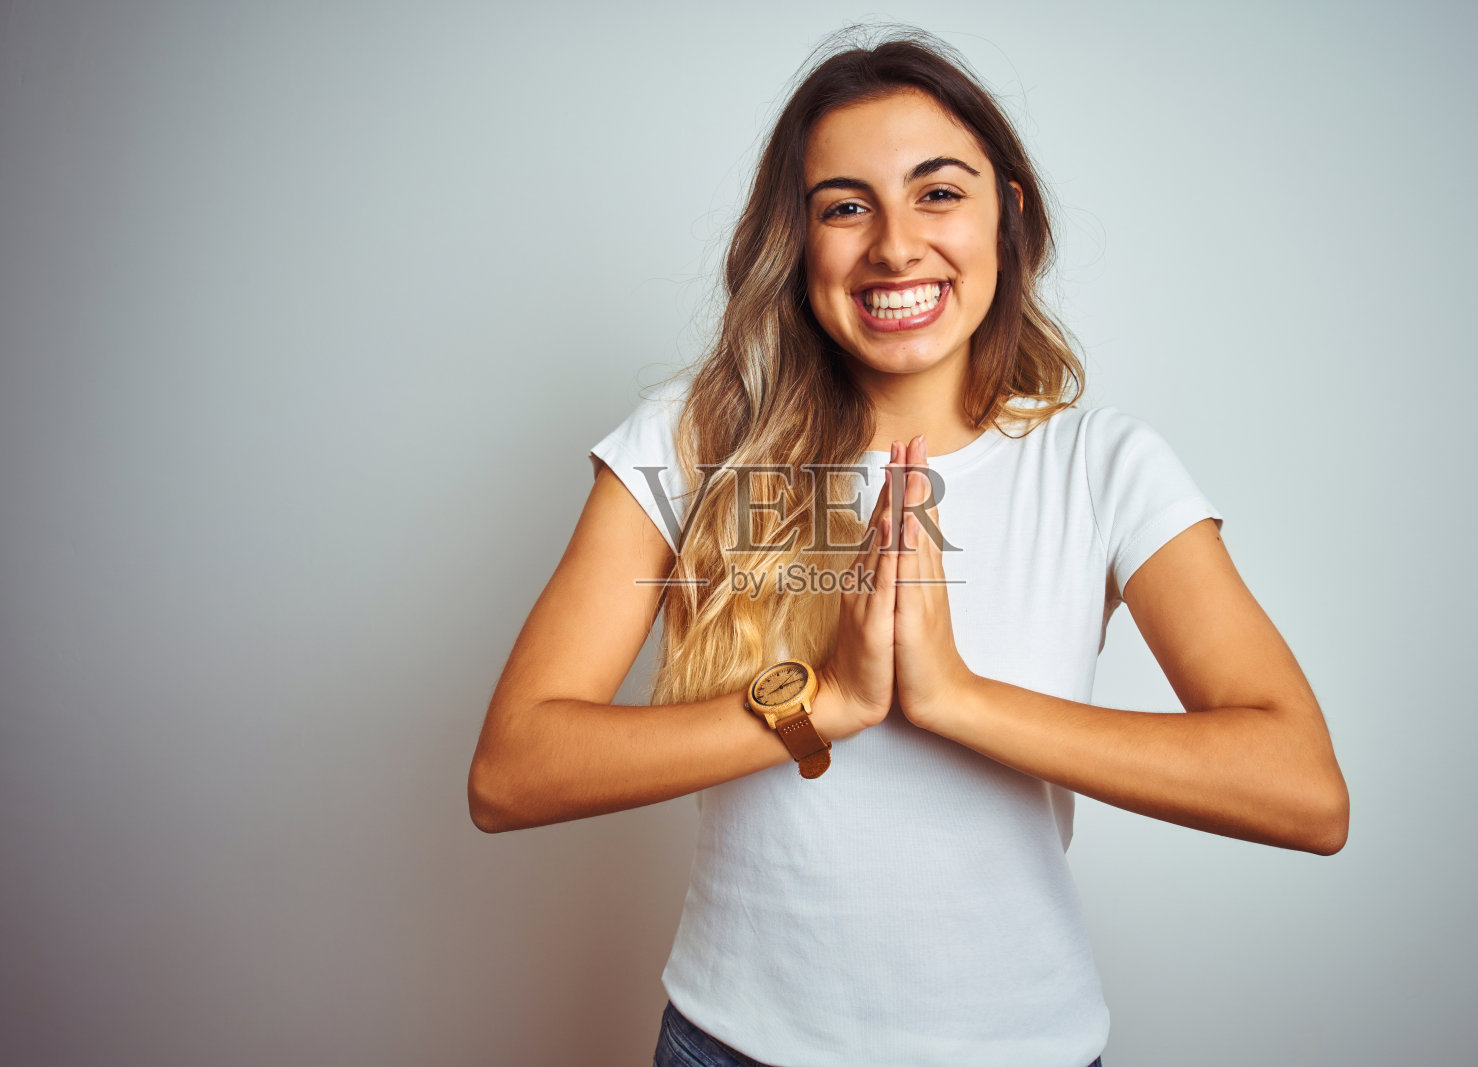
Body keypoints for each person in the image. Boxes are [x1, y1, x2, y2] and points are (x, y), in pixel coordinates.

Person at [468, 27, 1348, 1067]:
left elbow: (1303, 791)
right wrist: (823, 702)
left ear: (1007, 217)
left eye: (938, 192)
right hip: (728, 1045)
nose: (893, 246)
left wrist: (954, 697)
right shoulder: (696, 441)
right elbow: (511, 772)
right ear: (796, 243)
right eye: (845, 205)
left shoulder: (1100, 463)